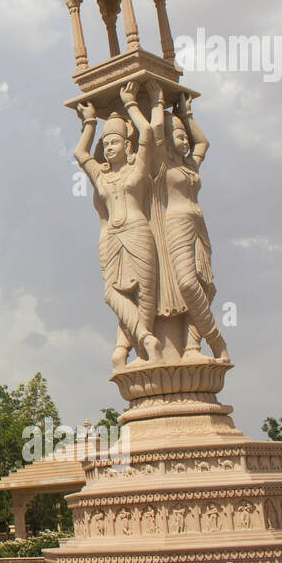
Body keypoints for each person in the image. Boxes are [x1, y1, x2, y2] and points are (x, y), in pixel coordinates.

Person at [73, 82, 164, 368]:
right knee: (111, 293)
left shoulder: (138, 169)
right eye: (107, 143)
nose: (110, 148)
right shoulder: (100, 176)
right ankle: (146, 338)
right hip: (111, 236)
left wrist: (130, 104)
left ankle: (135, 348)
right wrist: (89, 122)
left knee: (147, 291)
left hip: (138, 231)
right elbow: (80, 154)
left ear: (127, 145)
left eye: (115, 143)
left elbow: (147, 134)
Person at [153, 92, 229, 361]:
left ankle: (193, 347)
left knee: (205, 285)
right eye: (180, 136)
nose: (185, 141)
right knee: (186, 282)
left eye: (186, 136)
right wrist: (158, 105)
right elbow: (154, 137)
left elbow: (203, 142)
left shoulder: (189, 166)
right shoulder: (161, 164)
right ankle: (216, 339)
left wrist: (186, 116)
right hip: (175, 223)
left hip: (198, 224)